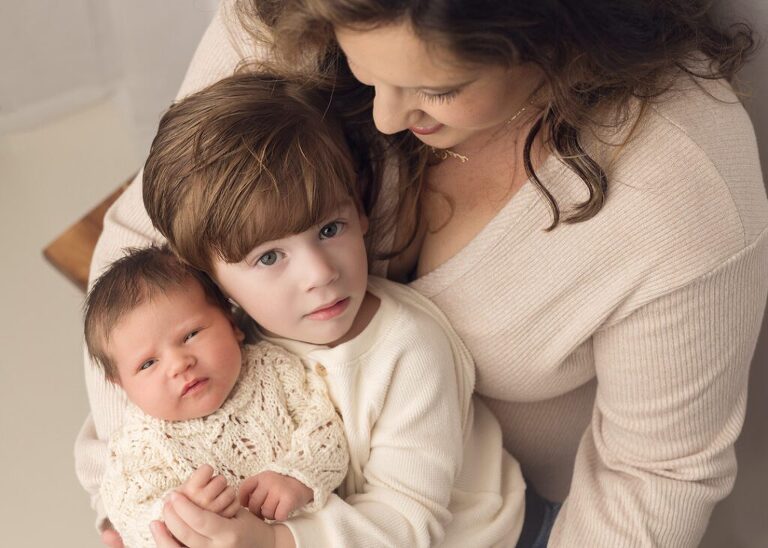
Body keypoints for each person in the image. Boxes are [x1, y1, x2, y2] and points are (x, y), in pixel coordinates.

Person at [75, 1, 768, 546]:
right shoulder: (293, 14)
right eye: (363, 69)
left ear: (560, 34)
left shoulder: (683, 194)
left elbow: (651, 478)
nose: (383, 115)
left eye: (437, 88)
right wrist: (146, 512)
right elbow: (148, 235)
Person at [141, 71, 528, 547]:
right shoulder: (229, 342)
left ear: (359, 209)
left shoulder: (408, 350)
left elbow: (408, 522)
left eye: (329, 229)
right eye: (268, 257)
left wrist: (273, 542)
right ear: (211, 280)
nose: (320, 273)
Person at [82, 245, 349, 547]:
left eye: (191, 335)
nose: (179, 364)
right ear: (121, 386)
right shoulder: (137, 446)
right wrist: (180, 514)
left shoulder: (273, 369)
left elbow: (326, 428)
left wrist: (297, 477)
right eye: (147, 364)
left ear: (232, 322)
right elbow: (130, 516)